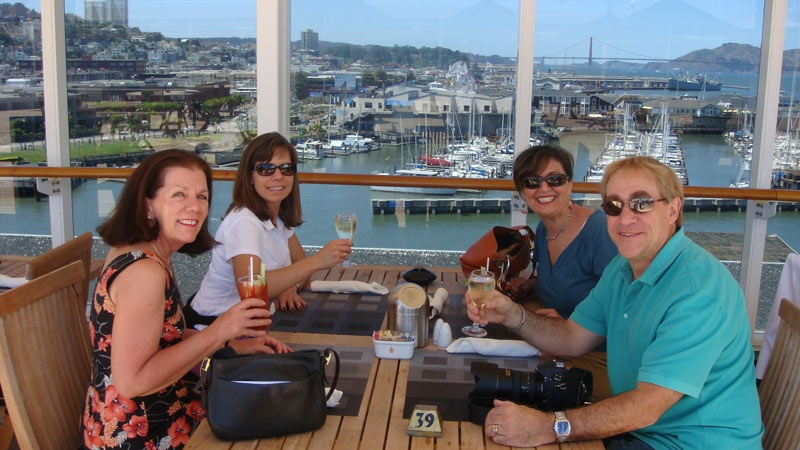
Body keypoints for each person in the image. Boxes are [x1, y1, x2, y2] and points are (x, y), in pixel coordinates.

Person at [469, 156, 763, 449]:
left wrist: (549, 426)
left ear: (673, 210)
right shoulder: (623, 268)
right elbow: (571, 338)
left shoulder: (698, 293)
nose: (625, 218)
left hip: (691, 442)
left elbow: (644, 408)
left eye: (642, 203)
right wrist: (510, 313)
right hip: (643, 432)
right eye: (613, 206)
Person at [81, 149, 290, 449]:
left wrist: (232, 345)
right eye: (179, 195)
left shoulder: (143, 251)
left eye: (202, 197)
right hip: (140, 435)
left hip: (140, 415)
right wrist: (220, 330)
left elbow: (164, 337)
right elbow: (132, 382)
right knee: (282, 423)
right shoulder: (145, 272)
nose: (195, 207)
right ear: (147, 204)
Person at [186, 132, 352, 329]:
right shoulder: (244, 222)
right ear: (249, 177)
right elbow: (254, 290)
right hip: (213, 328)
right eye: (266, 169)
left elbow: (302, 269)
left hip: (252, 322)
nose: (278, 176)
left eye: (286, 168)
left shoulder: (277, 217)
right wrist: (317, 261)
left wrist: (290, 286)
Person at [508, 144, 618, 400]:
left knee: (526, 391)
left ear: (570, 184)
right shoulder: (545, 229)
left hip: (602, 356)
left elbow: (622, 306)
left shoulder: (598, 231)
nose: (544, 188)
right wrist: (531, 285)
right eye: (533, 181)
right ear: (523, 191)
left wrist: (573, 325)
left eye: (554, 179)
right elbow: (567, 280)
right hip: (555, 342)